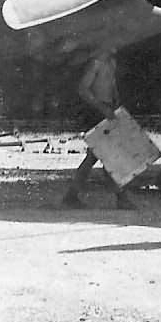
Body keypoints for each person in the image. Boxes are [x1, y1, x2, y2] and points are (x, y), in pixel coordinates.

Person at [62, 49, 137, 209]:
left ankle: (72, 195)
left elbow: (111, 85)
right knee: (108, 156)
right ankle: (121, 197)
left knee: (95, 156)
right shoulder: (96, 62)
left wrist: (115, 104)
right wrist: (101, 108)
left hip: (107, 110)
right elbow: (83, 89)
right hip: (96, 112)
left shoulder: (111, 61)